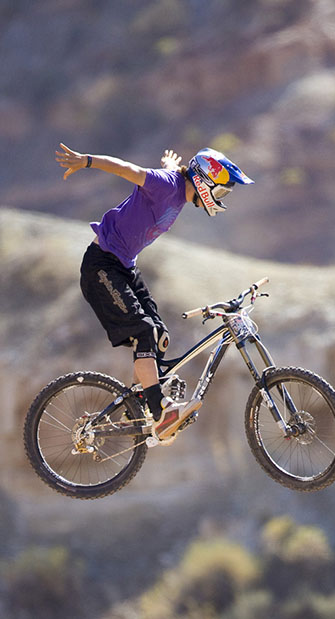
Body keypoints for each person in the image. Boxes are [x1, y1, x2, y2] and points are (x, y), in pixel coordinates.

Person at [55, 142, 254, 440]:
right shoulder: (166, 184)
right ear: (204, 181)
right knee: (144, 331)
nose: (220, 198)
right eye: (221, 191)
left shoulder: (177, 186)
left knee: (159, 336)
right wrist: (87, 161)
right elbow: (126, 169)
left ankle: (137, 404)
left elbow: (175, 175)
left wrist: (170, 164)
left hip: (124, 267)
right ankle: (159, 411)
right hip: (102, 266)